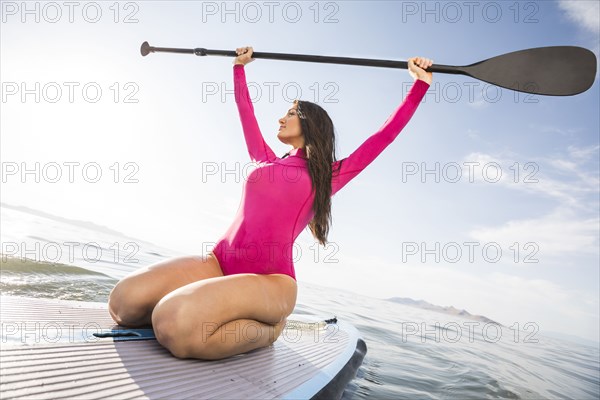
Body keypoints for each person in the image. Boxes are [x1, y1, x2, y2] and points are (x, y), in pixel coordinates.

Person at [108, 46, 432, 360]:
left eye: (291, 113)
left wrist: (419, 85)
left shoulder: (327, 177)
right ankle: (211, 305)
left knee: (172, 324)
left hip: (271, 282)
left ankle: (269, 331)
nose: (281, 118)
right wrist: (239, 68)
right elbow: (245, 111)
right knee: (124, 303)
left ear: (310, 124)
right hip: (219, 263)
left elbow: (383, 137)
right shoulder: (264, 159)